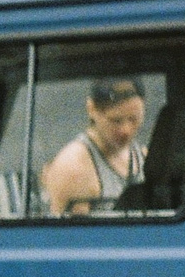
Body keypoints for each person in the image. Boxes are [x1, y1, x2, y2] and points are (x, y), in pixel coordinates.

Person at [41, 77, 147, 216]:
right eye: (115, 120)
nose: (125, 130)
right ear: (92, 109)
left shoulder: (143, 155)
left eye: (134, 119)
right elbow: (68, 236)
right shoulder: (74, 168)